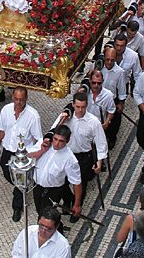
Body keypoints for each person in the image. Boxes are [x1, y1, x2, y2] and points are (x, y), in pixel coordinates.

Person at [49, 91, 107, 220]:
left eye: (83, 107)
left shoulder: (93, 122)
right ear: (73, 105)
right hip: (66, 155)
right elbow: (53, 130)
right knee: (62, 181)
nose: (80, 110)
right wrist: (63, 118)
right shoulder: (66, 117)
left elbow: (101, 142)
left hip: (84, 157)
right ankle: (68, 199)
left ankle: (77, 206)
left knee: (81, 184)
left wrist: (100, 161)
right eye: (77, 107)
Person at [0, 86, 42, 222]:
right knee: (7, 173)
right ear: (12, 97)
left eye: (21, 99)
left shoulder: (33, 116)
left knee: (19, 181)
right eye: (16, 99)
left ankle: (17, 205)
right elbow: (1, 130)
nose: (18, 102)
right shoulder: (5, 110)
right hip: (7, 149)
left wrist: (31, 155)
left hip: (22, 153)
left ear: (26, 99)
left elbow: (38, 139)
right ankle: (22, 185)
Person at [29, 125, 82, 220]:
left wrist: (77, 205)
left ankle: (56, 231)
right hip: (37, 186)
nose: (57, 143)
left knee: (46, 218)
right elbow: (28, 156)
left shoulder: (70, 159)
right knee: (39, 211)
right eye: (55, 139)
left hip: (53, 191)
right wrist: (42, 150)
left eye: (61, 141)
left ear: (67, 141)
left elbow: (76, 183)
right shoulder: (45, 143)